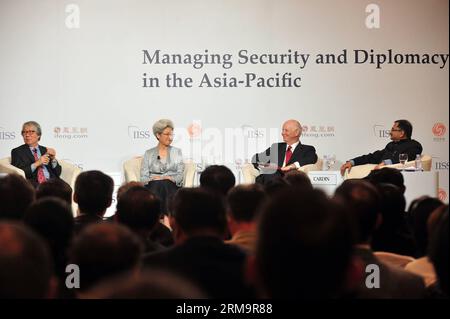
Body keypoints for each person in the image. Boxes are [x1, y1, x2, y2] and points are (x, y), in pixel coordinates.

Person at [340, 119, 423, 175]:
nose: (390, 132)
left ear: (402, 133)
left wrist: (385, 163)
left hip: (394, 180)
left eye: (393, 130)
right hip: (377, 177)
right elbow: (372, 157)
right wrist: (352, 162)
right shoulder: (390, 145)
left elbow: (405, 160)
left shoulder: (414, 146)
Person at [251, 119, 317, 185]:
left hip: (290, 181)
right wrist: (267, 165)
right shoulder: (276, 147)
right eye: (282, 130)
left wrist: (292, 166)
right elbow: (256, 158)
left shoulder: (307, 149)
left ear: (296, 132)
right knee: (272, 174)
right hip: (270, 179)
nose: (282, 133)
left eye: (286, 130)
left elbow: (312, 158)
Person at [141, 119, 184, 215]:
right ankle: (165, 218)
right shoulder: (149, 153)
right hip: (154, 186)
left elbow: (180, 176)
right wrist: (153, 179)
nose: (170, 138)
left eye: (171, 134)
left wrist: (170, 178)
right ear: (158, 135)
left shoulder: (177, 152)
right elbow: (143, 178)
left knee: (165, 183)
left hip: (171, 186)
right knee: (158, 184)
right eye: (167, 134)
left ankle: (160, 218)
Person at [11, 121, 62, 187]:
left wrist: (53, 159)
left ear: (38, 135)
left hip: (51, 182)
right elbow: (18, 174)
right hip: (33, 184)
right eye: (24, 132)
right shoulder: (17, 152)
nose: (27, 135)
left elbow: (58, 172)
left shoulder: (45, 150)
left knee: (67, 188)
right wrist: (37, 163)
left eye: (31, 132)